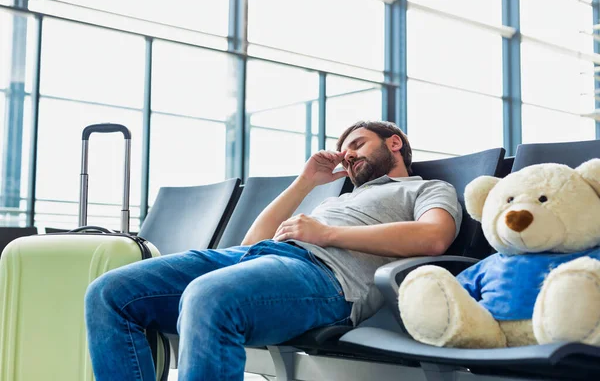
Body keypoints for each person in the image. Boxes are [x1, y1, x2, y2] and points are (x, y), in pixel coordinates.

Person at [84, 120, 462, 380]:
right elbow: (251, 243)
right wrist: (305, 182)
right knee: (109, 293)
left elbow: (433, 237)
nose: (347, 155)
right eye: (343, 151)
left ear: (393, 143)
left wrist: (327, 234)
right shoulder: (338, 200)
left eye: (357, 144)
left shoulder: (425, 188)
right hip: (261, 258)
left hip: (327, 279)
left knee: (210, 296)